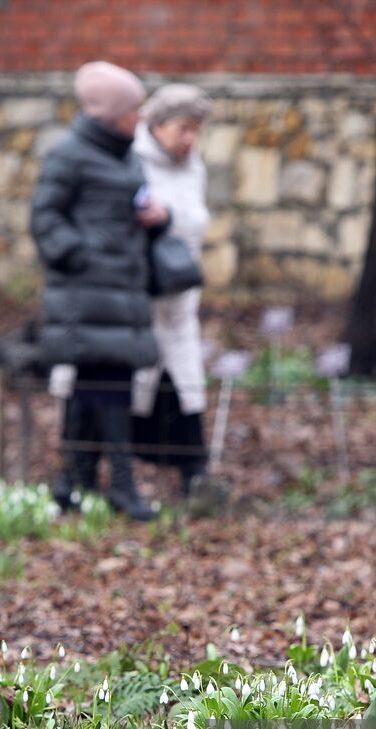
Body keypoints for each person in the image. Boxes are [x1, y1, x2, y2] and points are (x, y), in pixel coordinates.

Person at [31, 61, 169, 522]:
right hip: (90, 296)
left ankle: (71, 483)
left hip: (122, 295)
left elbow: (122, 214)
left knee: (93, 390)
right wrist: (84, 258)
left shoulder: (125, 155)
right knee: (109, 388)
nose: (142, 117)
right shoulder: (70, 155)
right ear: (110, 113)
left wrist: (155, 221)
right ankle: (122, 486)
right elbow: (45, 219)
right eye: (134, 109)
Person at [130, 84, 220, 503]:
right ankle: (127, 469)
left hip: (182, 299)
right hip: (143, 297)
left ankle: (192, 473)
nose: (190, 140)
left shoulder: (194, 167)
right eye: (183, 128)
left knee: (185, 382)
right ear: (159, 125)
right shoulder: (132, 159)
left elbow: (194, 221)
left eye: (196, 130)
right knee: (139, 381)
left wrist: (173, 217)